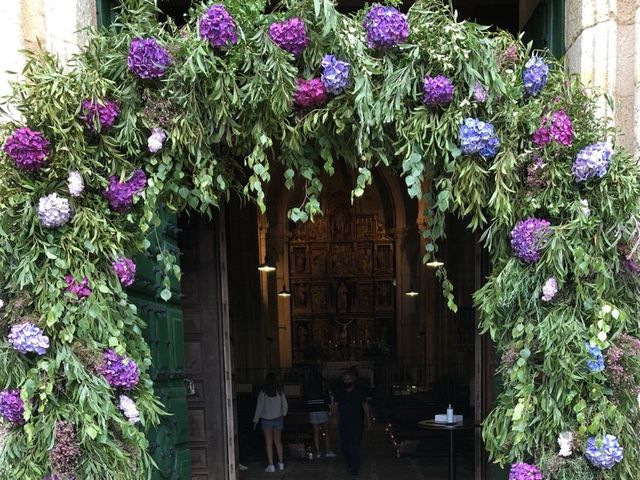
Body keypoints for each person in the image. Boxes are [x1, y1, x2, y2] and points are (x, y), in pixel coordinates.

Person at [331, 370, 372, 480]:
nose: (347, 381)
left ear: (353, 380)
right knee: (344, 447)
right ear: (343, 381)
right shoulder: (339, 391)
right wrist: (334, 417)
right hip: (344, 423)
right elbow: (334, 405)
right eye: (345, 379)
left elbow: (365, 405)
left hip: (357, 423)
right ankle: (350, 463)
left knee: (355, 447)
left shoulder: (359, 391)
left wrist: (369, 420)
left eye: (349, 379)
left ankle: (355, 471)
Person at [253, 373, 288, 473]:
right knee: (278, 442)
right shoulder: (280, 391)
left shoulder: (263, 392)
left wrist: (255, 420)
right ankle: (281, 463)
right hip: (278, 419)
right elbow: (285, 404)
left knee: (269, 443)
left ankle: (271, 465)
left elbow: (259, 407)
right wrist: (283, 414)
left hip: (266, 420)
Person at [304, 366, 336, 459]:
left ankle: (317, 452)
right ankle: (328, 450)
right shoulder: (322, 387)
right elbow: (328, 400)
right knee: (326, 432)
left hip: (313, 411)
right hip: (322, 410)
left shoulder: (309, 387)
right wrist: (329, 411)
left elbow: (306, 401)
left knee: (316, 432)